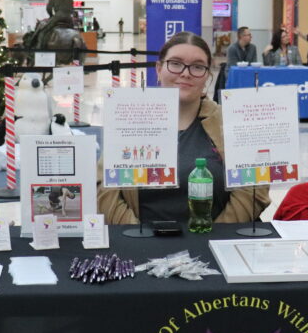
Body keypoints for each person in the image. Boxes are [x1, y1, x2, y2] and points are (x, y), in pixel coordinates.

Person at [98, 31, 270, 224]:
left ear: (207, 76)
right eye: (176, 64)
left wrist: (217, 233)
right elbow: (105, 189)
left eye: (197, 66)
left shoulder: (232, 121)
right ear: (159, 68)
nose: (186, 73)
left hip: (214, 236)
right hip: (138, 237)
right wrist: (136, 233)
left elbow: (254, 188)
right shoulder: (128, 119)